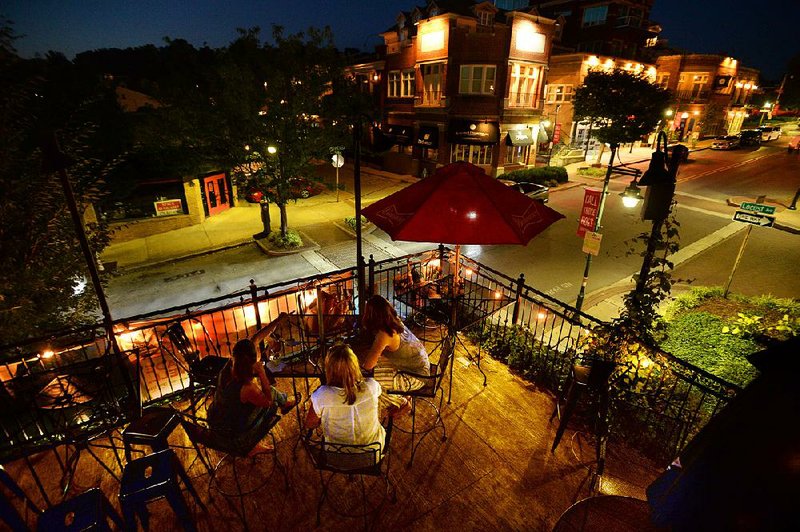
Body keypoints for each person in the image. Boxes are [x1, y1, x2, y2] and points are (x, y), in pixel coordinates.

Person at [206, 338, 298, 455]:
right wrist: (261, 372)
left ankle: (284, 403)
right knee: (272, 399)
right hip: (232, 433)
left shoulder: (226, 369)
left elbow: (252, 340)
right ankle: (250, 445)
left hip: (215, 421)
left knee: (268, 393)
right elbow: (268, 402)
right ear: (252, 361)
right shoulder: (246, 387)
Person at [305, 344, 386, 451]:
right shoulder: (372, 386)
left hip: (336, 457)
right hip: (372, 453)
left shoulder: (321, 395)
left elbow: (310, 424)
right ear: (355, 365)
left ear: (329, 369)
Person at [361, 294, 429, 416]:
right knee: (378, 366)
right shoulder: (395, 320)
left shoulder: (384, 334)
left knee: (369, 380)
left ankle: (401, 402)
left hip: (415, 377)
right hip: (420, 367)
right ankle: (401, 397)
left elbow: (367, 366)